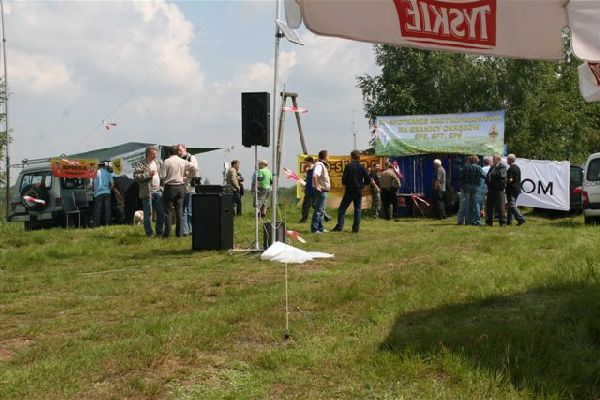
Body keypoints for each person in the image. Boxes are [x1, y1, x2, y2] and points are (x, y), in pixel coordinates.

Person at [160, 145, 199, 238]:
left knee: (168, 211)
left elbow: (162, 175)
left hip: (169, 187)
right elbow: (195, 168)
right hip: (181, 187)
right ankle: (179, 233)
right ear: (176, 152)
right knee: (179, 211)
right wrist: (188, 176)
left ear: (169, 153)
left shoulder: (166, 161)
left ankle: (167, 234)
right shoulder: (182, 161)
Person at [332, 150, 374, 233]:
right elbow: (368, 180)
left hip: (349, 190)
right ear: (359, 157)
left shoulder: (348, 166)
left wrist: (345, 186)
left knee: (342, 209)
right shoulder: (362, 167)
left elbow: (344, 180)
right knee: (357, 210)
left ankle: (339, 226)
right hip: (359, 190)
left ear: (351, 156)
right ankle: (355, 229)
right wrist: (363, 187)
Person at [133, 146, 165, 237]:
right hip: (147, 193)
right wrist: (148, 174)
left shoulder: (158, 163)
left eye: (156, 154)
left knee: (161, 212)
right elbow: (136, 177)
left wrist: (162, 187)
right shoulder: (140, 164)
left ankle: (159, 232)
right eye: (153, 154)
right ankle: (149, 233)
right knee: (148, 214)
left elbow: (162, 176)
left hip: (158, 192)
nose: (155, 155)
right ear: (148, 154)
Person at [177, 144, 199, 236]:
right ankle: (185, 231)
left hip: (190, 187)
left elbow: (195, 169)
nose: (179, 152)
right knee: (183, 210)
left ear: (185, 149)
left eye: (180, 150)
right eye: (177, 151)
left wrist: (187, 176)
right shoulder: (178, 159)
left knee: (190, 210)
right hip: (181, 187)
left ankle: (192, 230)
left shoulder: (191, 157)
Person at [459, 155, 486, 225]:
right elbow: (484, 176)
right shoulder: (478, 167)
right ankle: (477, 221)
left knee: (467, 204)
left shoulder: (465, 167)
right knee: (476, 204)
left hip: (466, 187)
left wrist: (463, 184)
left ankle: (467, 221)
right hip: (475, 187)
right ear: (475, 161)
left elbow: (460, 177)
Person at [311, 150, 331, 233]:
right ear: (325, 156)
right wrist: (317, 186)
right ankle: (315, 229)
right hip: (321, 190)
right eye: (328, 155)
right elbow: (314, 175)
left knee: (322, 210)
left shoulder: (321, 164)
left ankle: (320, 228)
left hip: (324, 190)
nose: (329, 157)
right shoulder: (319, 165)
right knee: (319, 210)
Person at [485, 154, 507, 226]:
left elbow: (500, 174)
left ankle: (503, 222)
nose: (492, 160)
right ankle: (489, 222)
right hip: (491, 189)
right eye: (493, 159)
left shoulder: (502, 167)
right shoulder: (492, 168)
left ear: (498, 160)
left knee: (500, 207)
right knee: (489, 206)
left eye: (494, 159)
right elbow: (488, 175)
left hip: (499, 190)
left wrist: (494, 169)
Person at [92, 162, 114, 227]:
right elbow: (113, 185)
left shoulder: (94, 173)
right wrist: (109, 190)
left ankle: (97, 225)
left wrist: (94, 189)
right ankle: (107, 224)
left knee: (98, 210)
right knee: (107, 210)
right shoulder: (108, 172)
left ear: (98, 166)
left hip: (97, 194)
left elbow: (91, 185)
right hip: (107, 193)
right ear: (104, 166)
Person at [506, 153, 525, 226]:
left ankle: (521, 218)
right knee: (510, 206)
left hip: (512, 189)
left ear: (510, 160)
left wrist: (504, 180)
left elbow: (510, 180)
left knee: (511, 205)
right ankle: (509, 221)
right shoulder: (517, 168)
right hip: (517, 189)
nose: (507, 160)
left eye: (507, 159)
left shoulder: (511, 169)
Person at [299, 156, 315, 223]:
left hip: (312, 190)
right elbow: (308, 179)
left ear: (310, 162)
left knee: (305, 205)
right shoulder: (309, 170)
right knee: (314, 205)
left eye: (306, 162)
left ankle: (304, 220)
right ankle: (327, 217)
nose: (305, 164)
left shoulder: (314, 169)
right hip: (308, 189)